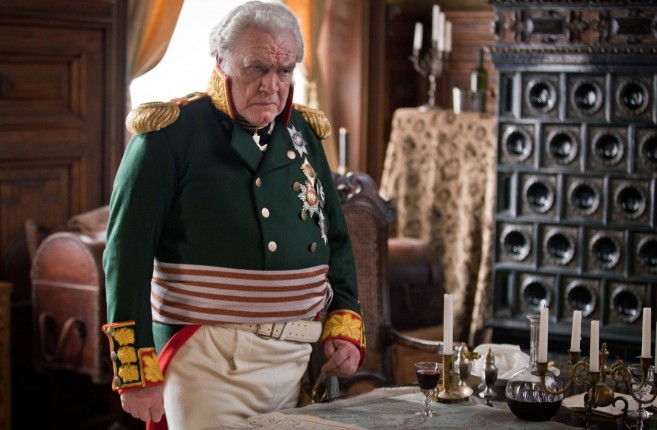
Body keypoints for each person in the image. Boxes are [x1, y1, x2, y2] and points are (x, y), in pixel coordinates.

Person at [101, 2, 365, 429]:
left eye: (284, 71)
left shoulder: (304, 133)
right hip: (206, 364)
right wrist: (135, 373)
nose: (272, 85)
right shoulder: (168, 135)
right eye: (256, 68)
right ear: (221, 62)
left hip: (298, 360)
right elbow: (125, 257)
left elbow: (334, 239)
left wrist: (344, 323)